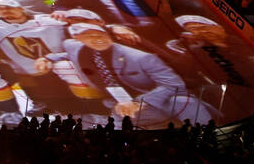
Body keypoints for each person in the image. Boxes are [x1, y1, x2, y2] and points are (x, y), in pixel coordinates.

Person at [37, 23, 218, 127]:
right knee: (116, 121)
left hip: (157, 98)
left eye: (100, 34)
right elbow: (65, 53)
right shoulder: (73, 46)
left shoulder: (142, 58)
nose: (97, 39)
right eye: (89, 36)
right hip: (118, 104)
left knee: (184, 103)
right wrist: (46, 58)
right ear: (79, 40)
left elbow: (174, 84)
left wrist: (140, 102)